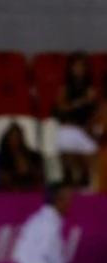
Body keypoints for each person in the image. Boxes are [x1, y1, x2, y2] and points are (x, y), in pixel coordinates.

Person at [54, 52, 97, 186]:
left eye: (82, 66)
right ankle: (70, 180)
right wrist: (82, 101)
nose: (79, 69)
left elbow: (97, 111)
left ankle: (88, 184)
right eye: (76, 66)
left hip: (86, 128)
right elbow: (62, 108)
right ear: (71, 68)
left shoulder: (92, 89)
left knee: (92, 153)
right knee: (65, 141)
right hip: (69, 126)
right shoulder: (64, 88)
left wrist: (90, 125)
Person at [0, 123, 44, 191]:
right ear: (7, 139)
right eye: (12, 137)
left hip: (31, 191)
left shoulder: (33, 156)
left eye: (17, 137)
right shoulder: (2, 157)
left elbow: (39, 176)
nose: (15, 140)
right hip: (9, 193)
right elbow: (3, 178)